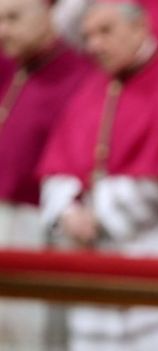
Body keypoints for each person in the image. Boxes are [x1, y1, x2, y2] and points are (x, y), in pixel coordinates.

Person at [38, 1, 158, 350]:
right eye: (88, 35)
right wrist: (67, 212)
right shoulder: (90, 89)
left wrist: (101, 215)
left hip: (151, 247)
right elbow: (59, 166)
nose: (94, 45)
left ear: (140, 28)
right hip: (91, 257)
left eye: (105, 31)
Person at [0, 0, 90, 348]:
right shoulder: (11, 68)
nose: (3, 30)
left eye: (13, 18)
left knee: (34, 338)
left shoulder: (79, 73)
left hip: (38, 225)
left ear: (49, 12)